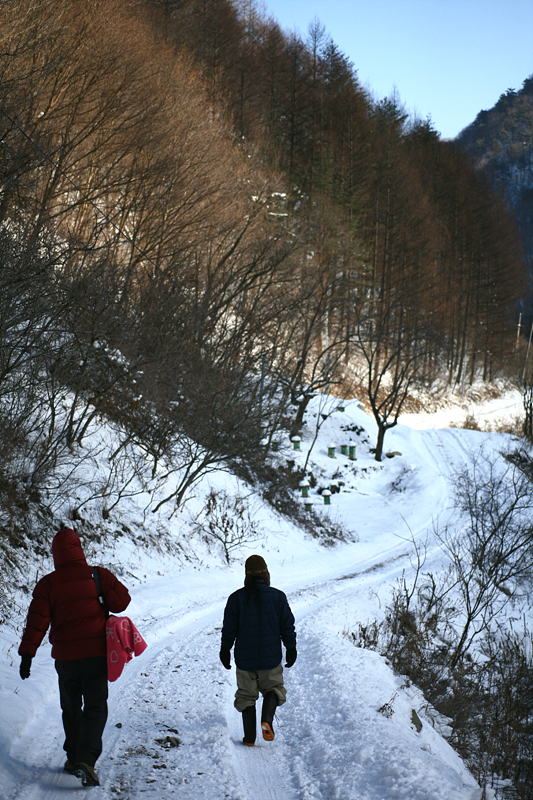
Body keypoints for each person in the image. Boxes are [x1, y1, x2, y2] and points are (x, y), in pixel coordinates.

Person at [18, 527, 131, 787]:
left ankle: (73, 758)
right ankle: (87, 761)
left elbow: (37, 623)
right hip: (96, 656)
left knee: (71, 709)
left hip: (67, 661)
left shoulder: (48, 584)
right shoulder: (98, 575)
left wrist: (27, 654)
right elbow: (122, 602)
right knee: (95, 708)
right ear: (79, 549)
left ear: (56, 554)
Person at [219, 554, 297, 746]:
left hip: (245, 659)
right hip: (270, 659)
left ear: (246, 576)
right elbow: (287, 626)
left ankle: (250, 738)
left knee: (247, 696)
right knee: (273, 689)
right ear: (266, 574)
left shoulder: (236, 598)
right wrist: (291, 647)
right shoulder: (278, 597)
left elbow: (229, 629)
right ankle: (267, 721)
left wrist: (225, 649)